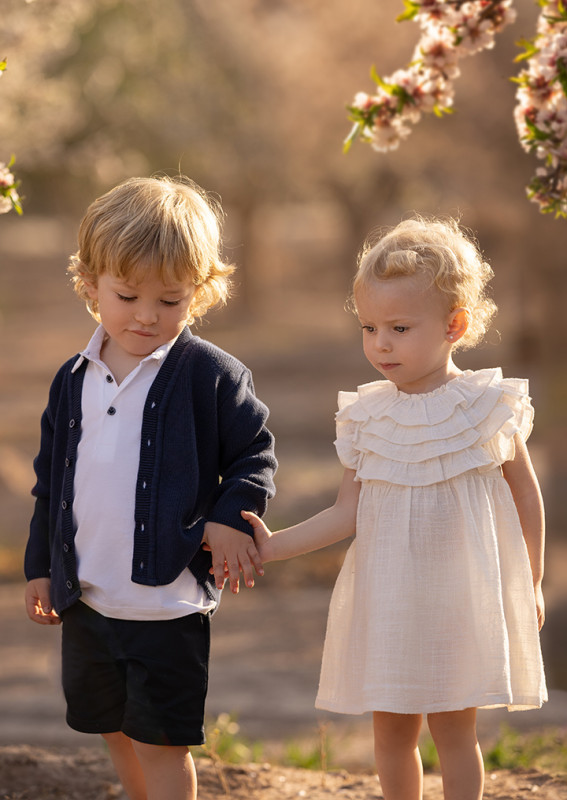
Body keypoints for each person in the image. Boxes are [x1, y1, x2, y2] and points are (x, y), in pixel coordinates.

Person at [244, 215, 546, 800]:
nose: (380, 343)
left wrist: (531, 579)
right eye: (370, 327)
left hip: (461, 596)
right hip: (389, 600)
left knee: (455, 733)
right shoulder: (366, 417)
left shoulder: (486, 405)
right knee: (392, 734)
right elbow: (347, 512)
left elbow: (525, 492)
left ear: (454, 325)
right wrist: (273, 545)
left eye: (400, 328)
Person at [24, 175, 277, 800]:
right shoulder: (72, 379)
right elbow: (49, 480)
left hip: (166, 606)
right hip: (88, 598)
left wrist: (230, 513)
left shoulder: (211, 376)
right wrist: (39, 567)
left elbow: (255, 452)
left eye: (170, 300)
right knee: (112, 728)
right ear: (90, 285)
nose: (146, 316)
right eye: (127, 295)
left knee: (162, 743)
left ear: (201, 291)